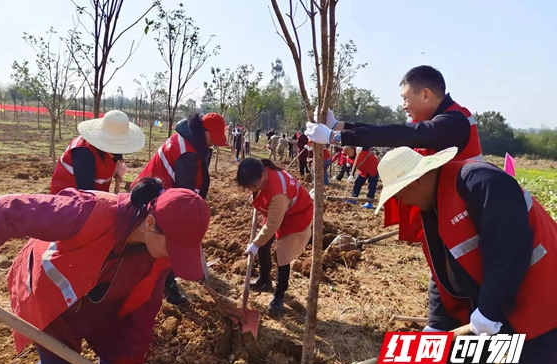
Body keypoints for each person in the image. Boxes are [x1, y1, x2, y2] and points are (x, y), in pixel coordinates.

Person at [0, 179, 210, 364]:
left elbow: (146, 306)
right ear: (151, 222)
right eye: (173, 247)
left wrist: (125, 362)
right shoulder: (87, 210)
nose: (172, 256)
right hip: (54, 294)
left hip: (104, 301)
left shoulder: (160, 255)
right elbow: (3, 213)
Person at [374, 147, 557, 364]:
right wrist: (438, 326)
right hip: (497, 300)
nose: (402, 202)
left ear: (416, 179)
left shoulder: (480, 182)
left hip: (545, 302)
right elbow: (442, 273)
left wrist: (489, 312)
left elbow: (509, 248)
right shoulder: (434, 206)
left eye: (399, 194)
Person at [304, 65, 482, 242]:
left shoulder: (454, 122)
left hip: (462, 216)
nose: (403, 106)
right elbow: (390, 131)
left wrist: (335, 137)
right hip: (443, 209)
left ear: (426, 95)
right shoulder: (441, 120)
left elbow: (403, 134)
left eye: (405, 99)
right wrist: (341, 127)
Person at [134, 112, 227, 305]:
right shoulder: (187, 153)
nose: (214, 144)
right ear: (204, 131)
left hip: (160, 191)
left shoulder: (190, 141)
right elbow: (183, 198)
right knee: (168, 240)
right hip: (155, 196)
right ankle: (165, 285)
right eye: (214, 139)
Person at [236, 158, 313, 315]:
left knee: (282, 255)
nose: (250, 189)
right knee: (264, 245)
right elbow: (272, 218)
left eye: (251, 186)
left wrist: (255, 244)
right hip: (279, 211)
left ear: (262, 177)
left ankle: (279, 294)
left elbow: (272, 225)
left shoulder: (278, 193)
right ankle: (265, 279)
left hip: (297, 215)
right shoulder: (260, 169)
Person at [50, 110, 145, 195]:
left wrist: (118, 163)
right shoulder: (83, 153)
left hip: (95, 197)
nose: (119, 148)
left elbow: (116, 154)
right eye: (117, 142)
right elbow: (86, 196)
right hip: (70, 203)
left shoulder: (113, 147)